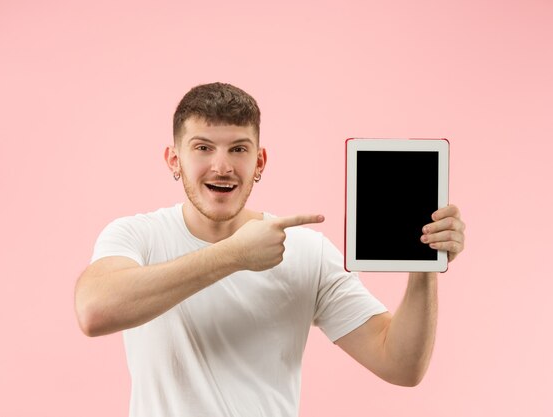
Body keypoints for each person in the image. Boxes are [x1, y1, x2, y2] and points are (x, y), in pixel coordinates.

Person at [74, 82, 466, 417]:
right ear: (174, 160)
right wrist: (233, 255)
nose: (222, 166)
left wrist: (425, 263)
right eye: (203, 148)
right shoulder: (136, 236)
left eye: (239, 150)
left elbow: (400, 364)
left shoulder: (307, 252)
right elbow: (94, 310)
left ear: (260, 161)